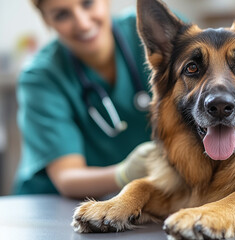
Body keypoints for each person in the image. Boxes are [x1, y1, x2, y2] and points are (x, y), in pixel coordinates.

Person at [14, 0, 156, 199]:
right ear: (46, 21)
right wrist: (125, 173)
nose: (82, 23)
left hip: (142, 199)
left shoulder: (154, 29)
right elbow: (67, 177)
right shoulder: (41, 78)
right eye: (62, 15)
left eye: (88, 3)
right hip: (55, 205)